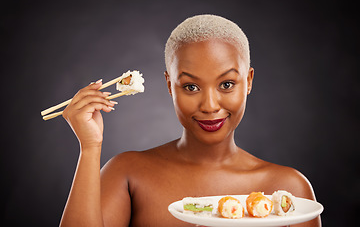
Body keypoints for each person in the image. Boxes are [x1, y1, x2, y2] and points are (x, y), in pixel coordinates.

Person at [59, 14, 321, 227]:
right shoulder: (127, 173)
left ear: (249, 81)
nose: (209, 106)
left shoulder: (288, 189)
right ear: (170, 85)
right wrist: (90, 148)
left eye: (227, 84)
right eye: (191, 87)